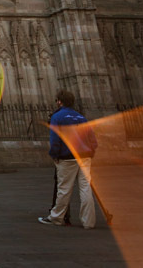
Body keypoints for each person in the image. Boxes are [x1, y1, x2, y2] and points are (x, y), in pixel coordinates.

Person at [38, 90, 98, 229]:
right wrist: (90, 152)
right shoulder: (81, 117)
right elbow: (93, 140)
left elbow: (55, 140)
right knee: (85, 189)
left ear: (59, 101)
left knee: (64, 188)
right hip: (84, 157)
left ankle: (56, 218)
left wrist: (55, 155)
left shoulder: (58, 117)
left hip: (67, 158)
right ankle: (89, 222)